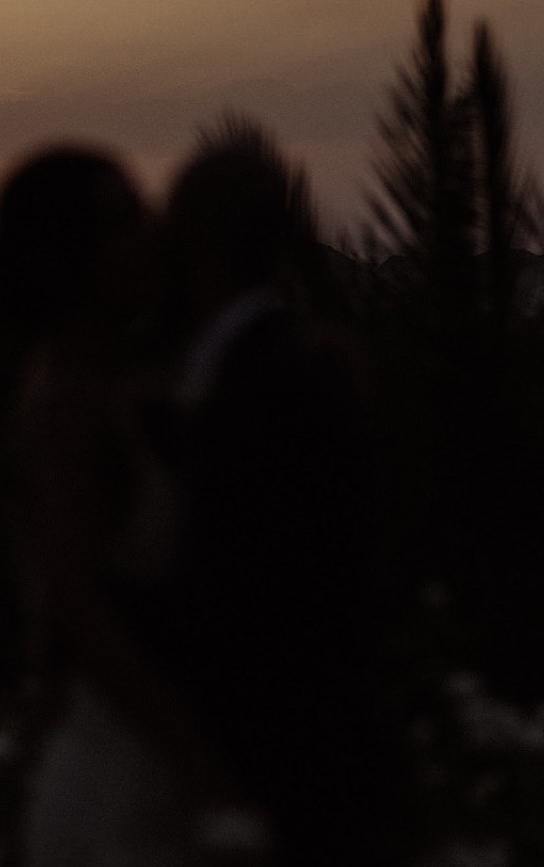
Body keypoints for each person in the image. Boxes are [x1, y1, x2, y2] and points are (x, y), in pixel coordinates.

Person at [0, 144, 269, 866]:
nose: (151, 236)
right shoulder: (67, 408)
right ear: (66, 257)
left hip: (151, 766)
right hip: (121, 780)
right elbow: (75, 603)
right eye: (122, 221)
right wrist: (201, 766)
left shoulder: (120, 391)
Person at [160, 123, 399, 865]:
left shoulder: (267, 387)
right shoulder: (286, 369)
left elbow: (266, 593)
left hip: (279, 763)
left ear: (191, 243)